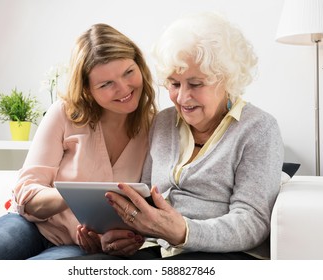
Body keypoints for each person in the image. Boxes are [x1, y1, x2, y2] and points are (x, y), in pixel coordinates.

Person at [72, 12, 284, 260]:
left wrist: (184, 231)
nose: (182, 98)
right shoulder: (163, 122)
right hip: (155, 250)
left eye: (195, 84)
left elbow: (253, 223)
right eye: (174, 84)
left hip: (222, 254)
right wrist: (124, 237)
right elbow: (148, 200)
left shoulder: (259, 128)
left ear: (226, 79)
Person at [0, 23, 157, 260]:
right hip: (32, 225)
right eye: (106, 84)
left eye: (128, 72)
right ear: (88, 90)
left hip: (81, 246)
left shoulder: (155, 130)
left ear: (139, 65)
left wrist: (114, 239)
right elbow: (27, 192)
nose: (123, 88)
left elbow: (145, 209)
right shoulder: (65, 113)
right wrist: (74, 197)